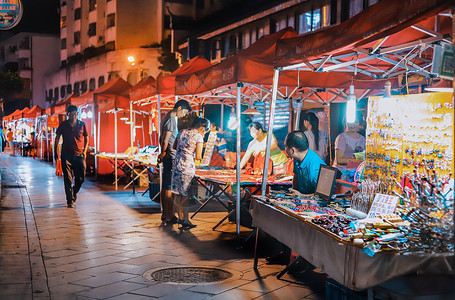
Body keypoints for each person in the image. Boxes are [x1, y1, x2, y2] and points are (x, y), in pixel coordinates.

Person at [171, 117, 210, 229]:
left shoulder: (181, 132)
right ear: (202, 127)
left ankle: (180, 218)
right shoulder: (198, 136)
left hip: (177, 165)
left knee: (177, 193)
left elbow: (174, 147)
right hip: (188, 167)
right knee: (186, 195)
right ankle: (186, 219)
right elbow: (198, 156)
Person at [157, 99, 192, 225]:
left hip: (167, 155)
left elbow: (163, 138)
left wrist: (162, 153)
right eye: (185, 112)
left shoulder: (166, 116)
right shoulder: (172, 119)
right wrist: (163, 152)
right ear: (179, 108)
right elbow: (166, 140)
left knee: (165, 185)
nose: (184, 115)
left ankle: (165, 214)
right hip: (170, 156)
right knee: (168, 187)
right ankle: (168, 215)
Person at [54, 105, 89, 208]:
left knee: (81, 178)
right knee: (67, 179)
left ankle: (73, 192)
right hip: (66, 155)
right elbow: (57, 138)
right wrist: (56, 152)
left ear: (77, 114)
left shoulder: (82, 124)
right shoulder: (63, 125)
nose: (73, 116)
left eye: (75, 113)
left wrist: (85, 151)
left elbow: (86, 138)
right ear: (67, 114)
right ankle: (70, 200)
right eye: (71, 114)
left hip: (79, 155)